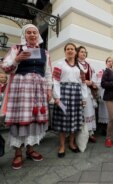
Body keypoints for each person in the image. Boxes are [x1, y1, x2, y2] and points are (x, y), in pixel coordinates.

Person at [0, 24, 53, 169]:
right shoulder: (16, 49)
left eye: (34, 32)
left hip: (39, 90)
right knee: (21, 118)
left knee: (34, 118)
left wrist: (49, 90)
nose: (32, 35)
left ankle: (30, 149)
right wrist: (17, 59)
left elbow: (48, 72)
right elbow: (5, 67)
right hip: (21, 89)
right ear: (24, 35)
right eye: (29, 32)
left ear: (38, 35)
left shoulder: (45, 53)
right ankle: (18, 153)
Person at [52, 43, 84, 158]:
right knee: (63, 119)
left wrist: (83, 98)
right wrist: (57, 96)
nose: (70, 51)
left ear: (75, 52)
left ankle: (71, 143)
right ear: (65, 51)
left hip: (76, 95)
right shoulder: (59, 64)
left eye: (72, 49)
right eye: (68, 49)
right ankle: (62, 146)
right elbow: (55, 81)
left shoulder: (79, 67)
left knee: (74, 119)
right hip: (63, 94)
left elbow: (83, 83)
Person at [77, 46, 97, 143]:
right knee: (80, 111)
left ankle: (90, 133)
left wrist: (91, 82)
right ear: (77, 53)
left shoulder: (89, 65)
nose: (83, 54)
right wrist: (84, 82)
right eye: (81, 52)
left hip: (88, 91)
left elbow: (94, 76)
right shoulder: (75, 64)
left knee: (89, 110)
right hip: (78, 91)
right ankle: (78, 134)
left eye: (85, 52)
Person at [93, 57, 112, 136]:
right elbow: (98, 83)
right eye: (108, 61)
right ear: (106, 62)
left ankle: (111, 129)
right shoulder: (102, 71)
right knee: (104, 111)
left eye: (111, 61)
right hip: (103, 93)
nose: (110, 62)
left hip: (112, 94)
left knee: (111, 112)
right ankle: (104, 129)